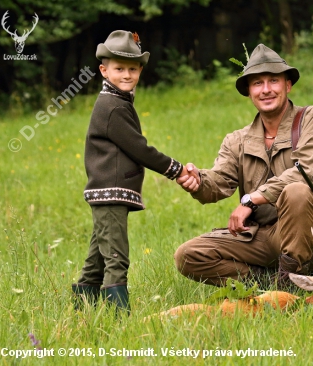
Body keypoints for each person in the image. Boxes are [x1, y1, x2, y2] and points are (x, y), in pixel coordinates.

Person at [174, 44, 313, 288]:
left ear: (287, 85)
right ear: (249, 91)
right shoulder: (237, 140)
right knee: (188, 255)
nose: (266, 90)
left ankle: (288, 282)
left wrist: (252, 199)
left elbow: (310, 171)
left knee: (297, 190)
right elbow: (218, 183)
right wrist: (197, 181)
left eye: (273, 81)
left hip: (312, 239)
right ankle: (268, 282)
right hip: (263, 236)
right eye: (257, 83)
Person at [72, 30, 197, 313]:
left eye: (132, 68)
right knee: (116, 257)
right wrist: (175, 169)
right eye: (119, 69)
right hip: (110, 190)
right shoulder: (112, 106)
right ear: (104, 71)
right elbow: (138, 148)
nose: (126, 74)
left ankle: (81, 309)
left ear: (140, 69)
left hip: (110, 191)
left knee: (99, 256)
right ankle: (118, 316)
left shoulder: (117, 100)